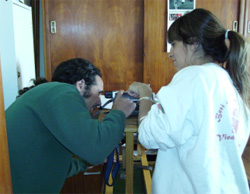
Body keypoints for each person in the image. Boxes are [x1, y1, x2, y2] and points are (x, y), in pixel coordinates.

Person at [128, 8, 250, 194]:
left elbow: (148, 136)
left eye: (174, 44)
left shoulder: (193, 77)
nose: (170, 53)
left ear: (193, 43)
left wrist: (145, 94)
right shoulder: (228, 82)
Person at [5, 58, 136, 193]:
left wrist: (85, 164)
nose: (98, 102)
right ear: (80, 84)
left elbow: (54, 166)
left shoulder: (51, 102)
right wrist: (119, 112)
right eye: (99, 93)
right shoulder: (63, 92)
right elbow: (96, 149)